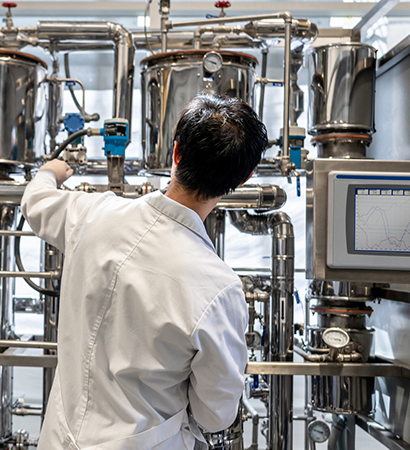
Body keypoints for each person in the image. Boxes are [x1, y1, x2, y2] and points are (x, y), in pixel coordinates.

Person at [22, 93, 268, 450]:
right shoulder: (218, 289)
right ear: (243, 178)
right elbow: (215, 413)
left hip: (60, 439)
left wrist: (49, 171)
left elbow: (36, 202)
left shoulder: (92, 213)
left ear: (176, 153)